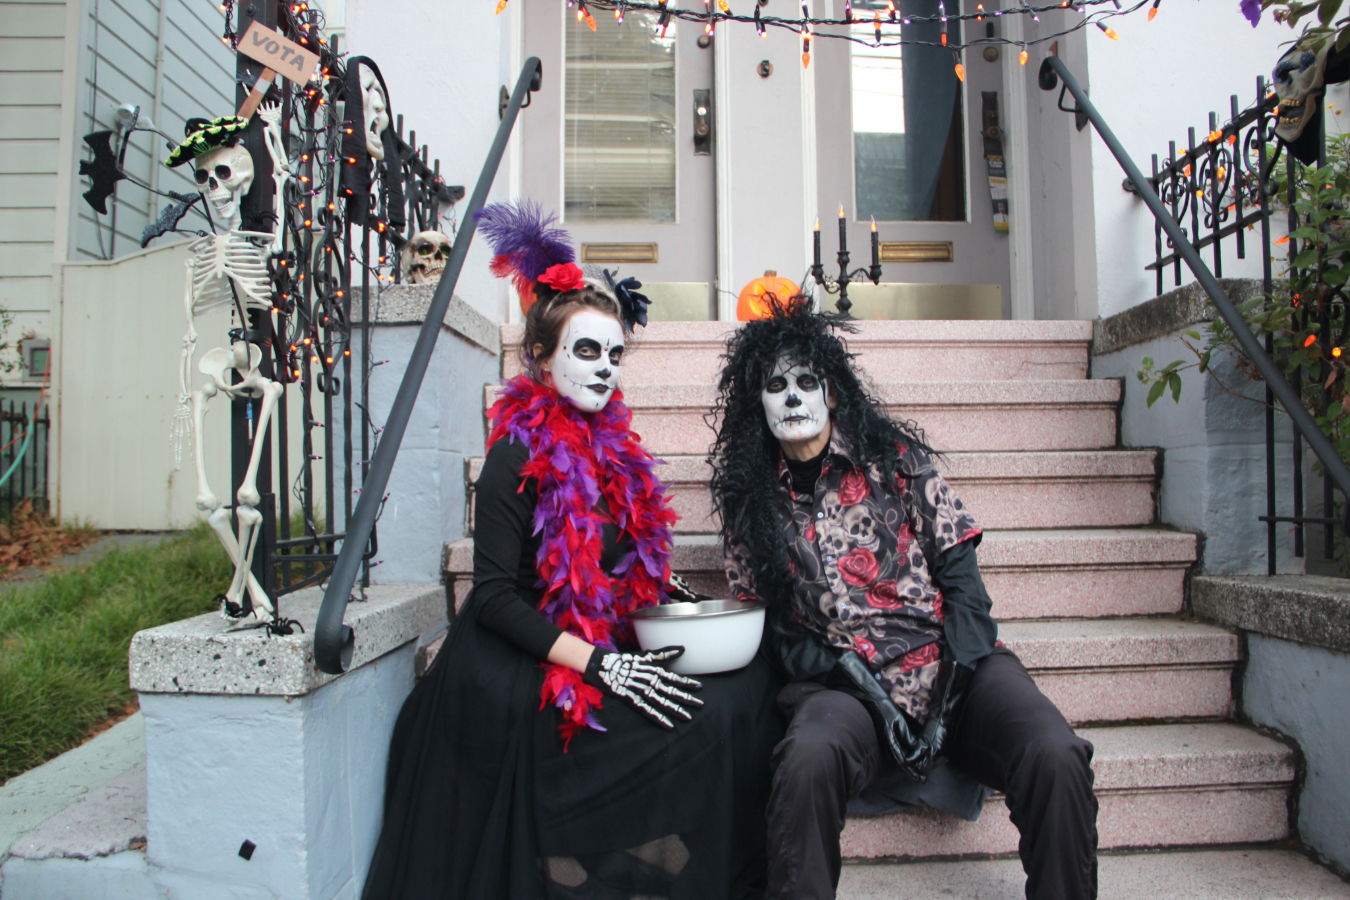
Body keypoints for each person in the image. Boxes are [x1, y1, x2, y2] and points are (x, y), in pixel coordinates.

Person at [360, 202, 783, 900]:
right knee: (694, 716)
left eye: (614, 355)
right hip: (517, 664)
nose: (605, 369)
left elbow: (611, 555)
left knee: (744, 690)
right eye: (587, 351)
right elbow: (492, 598)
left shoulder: (608, 444)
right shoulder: (514, 452)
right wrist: (603, 665)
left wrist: (663, 589)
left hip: (589, 637)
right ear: (541, 356)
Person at [708, 298, 1098, 900]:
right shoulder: (749, 503)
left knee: (1056, 753)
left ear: (831, 392)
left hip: (953, 666)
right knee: (806, 760)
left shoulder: (894, 461)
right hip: (846, 689)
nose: (792, 398)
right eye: (775, 386)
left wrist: (946, 703)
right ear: (756, 403)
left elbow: (966, 589)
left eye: (806, 382)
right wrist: (869, 694)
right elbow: (775, 631)